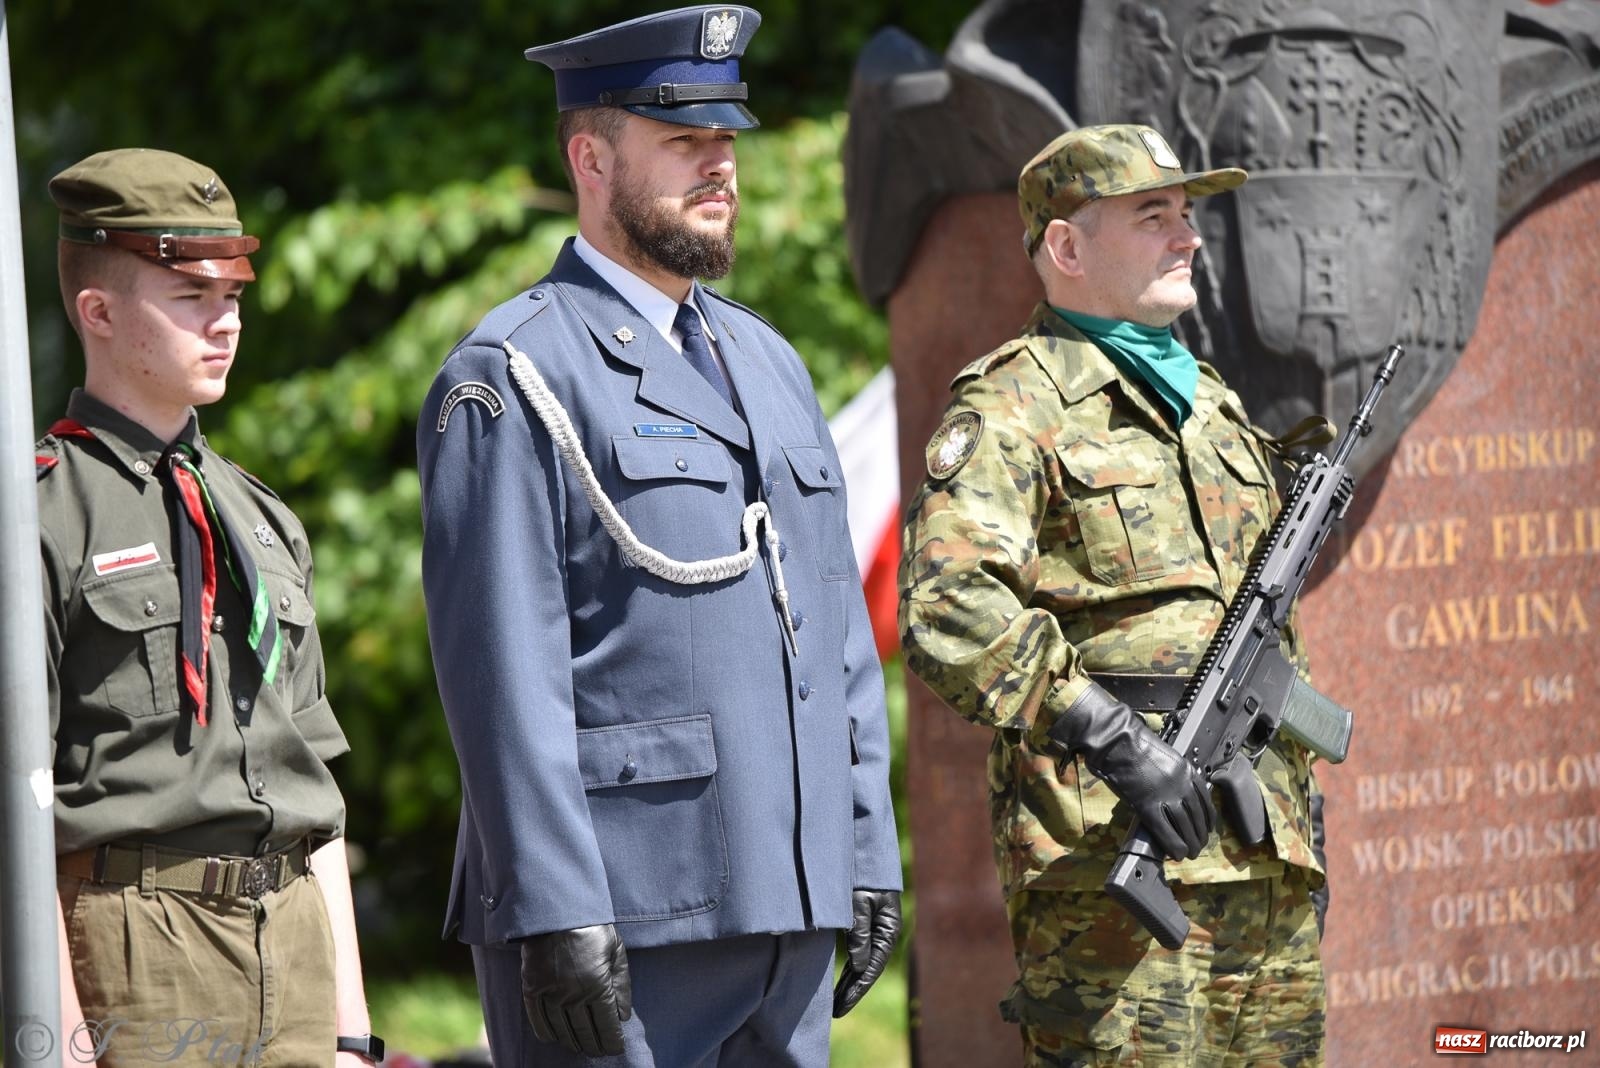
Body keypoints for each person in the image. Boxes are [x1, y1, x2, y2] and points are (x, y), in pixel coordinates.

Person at [416, 6, 902, 1066]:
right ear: (591, 156)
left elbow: (834, 636)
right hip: (627, 912)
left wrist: (865, 849)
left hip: (788, 901)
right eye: (683, 141)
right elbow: (502, 672)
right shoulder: (511, 373)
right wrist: (552, 904)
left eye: (725, 142)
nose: (719, 167)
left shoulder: (769, 362)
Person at [899, 124, 1328, 1065]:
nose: (1189, 236)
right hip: (1113, 869)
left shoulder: (1212, 405)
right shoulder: (1012, 405)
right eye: (1153, 216)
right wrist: (1112, 736)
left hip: (1265, 863)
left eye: (1186, 215)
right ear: (1067, 246)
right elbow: (946, 606)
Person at [39, 148, 379, 1067]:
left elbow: (319, 794)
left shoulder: (263, 517)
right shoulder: (40, 514)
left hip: (295, 941)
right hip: (138, 949)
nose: (225, 321)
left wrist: (351, 1030)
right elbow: (14, 805)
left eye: (231, 295)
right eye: (190, 296)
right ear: (99, 312)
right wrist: (60, 1039)